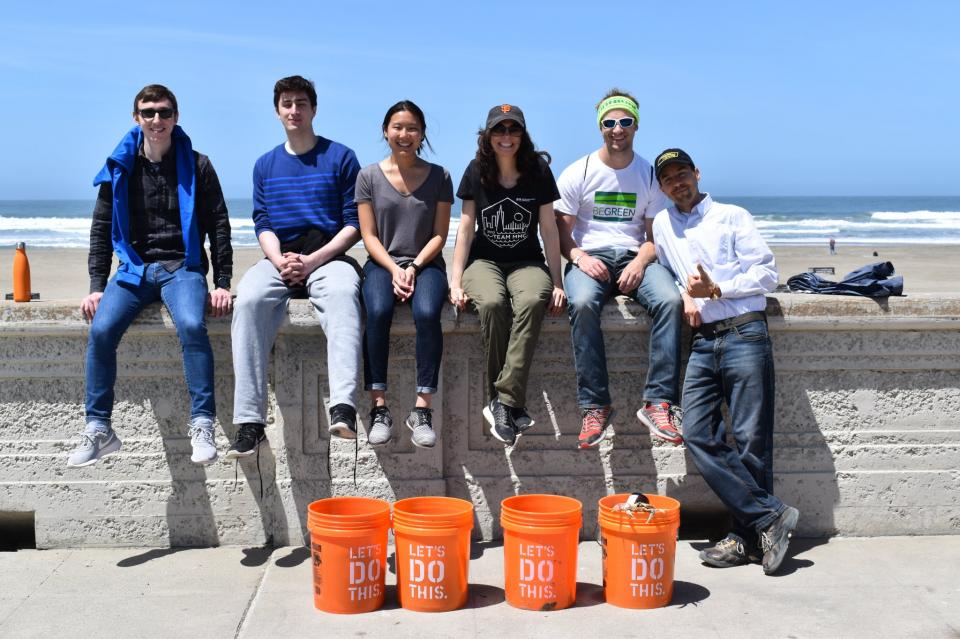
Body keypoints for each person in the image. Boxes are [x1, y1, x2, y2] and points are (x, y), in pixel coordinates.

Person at [651, 148, 799, 575]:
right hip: (702, 341)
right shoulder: (662, 224)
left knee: (752, 442)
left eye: (683, 173)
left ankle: (746, 540)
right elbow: (669, 272)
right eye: (669, 179)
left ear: (697, 174)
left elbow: (767, 273)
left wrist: (716, 289)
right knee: (697, 432)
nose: (678, 182)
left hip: (744, 332)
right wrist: (684, 295)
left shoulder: (733, 215)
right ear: (661, 188)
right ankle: (771, 515)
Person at [69, 84, 233, 468]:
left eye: (163, 112)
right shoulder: (119, 167)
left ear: (176, 117)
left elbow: (219, 224)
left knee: (193, 324)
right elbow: (101, 229)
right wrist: (96, 286)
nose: (156, 120)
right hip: (133, 268)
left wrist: (223, 282)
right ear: (136, 118)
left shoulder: (199, 165)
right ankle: (99, 428)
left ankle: (203, 422)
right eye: (148, 112)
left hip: (182, 267)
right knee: (102, 331)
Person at [228, 75, 362, 458]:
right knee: (249, 299)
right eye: (287, 104)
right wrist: (281, 261)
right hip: (280, 257)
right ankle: (250, 421)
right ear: (277, 111)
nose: (294, 111)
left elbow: (353, 223)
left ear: (314, 109)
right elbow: (262, 222)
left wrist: (313, 261)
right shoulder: (265, 165)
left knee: (341, 294)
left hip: (327, 254)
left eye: (301, 103)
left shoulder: (341, 157)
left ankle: (343, 407)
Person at [554, 89, 683, 449]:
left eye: (625, 121)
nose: (617, 129)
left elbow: (655, 234)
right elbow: (558, 230)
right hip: (589, 256)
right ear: (600, 127)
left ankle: (658, 402)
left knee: (670, 301)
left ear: (635, 125)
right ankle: (595, 406)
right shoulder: (578, 171)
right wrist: (579, 257)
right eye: (610, 123)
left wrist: (641, 262)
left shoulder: (648, 174)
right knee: (579, 304)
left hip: (634, 256)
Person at [449, 104, 566, 446]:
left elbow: (549, 228)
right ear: (488, 136)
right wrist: (454, 282)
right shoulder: (476, 170)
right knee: (492, 303)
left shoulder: (538, 171)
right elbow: (467, 227)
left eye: (513, 130)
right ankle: (508, 404)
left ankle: (503, 401)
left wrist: (557, 282)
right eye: (499, 130)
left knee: (532, 300)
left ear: (522, 135)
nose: (506, 137)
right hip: (483, 261)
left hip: (527, 261)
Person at [357, 100, 453, 448]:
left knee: (427, 313)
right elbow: (368, 235)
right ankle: (379, 407)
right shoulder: (368, 175)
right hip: (383, 263)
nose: (404, 134)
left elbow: (440, 234)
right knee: (378, 311)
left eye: (412, 128)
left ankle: (422, 409)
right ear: (386, 131)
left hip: (426, 264)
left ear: (421, 134)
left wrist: (412, 268)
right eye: (397, 127)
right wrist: (395, 269)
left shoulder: (440, 176)